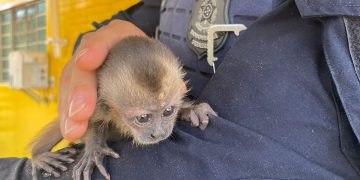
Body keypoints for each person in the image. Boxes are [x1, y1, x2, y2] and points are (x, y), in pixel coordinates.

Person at [1, 0, 360, 179]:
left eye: (166, 115)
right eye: (144, 119)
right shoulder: (115, 105)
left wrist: (183, 109)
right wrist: (121, 28)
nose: (158, 131)